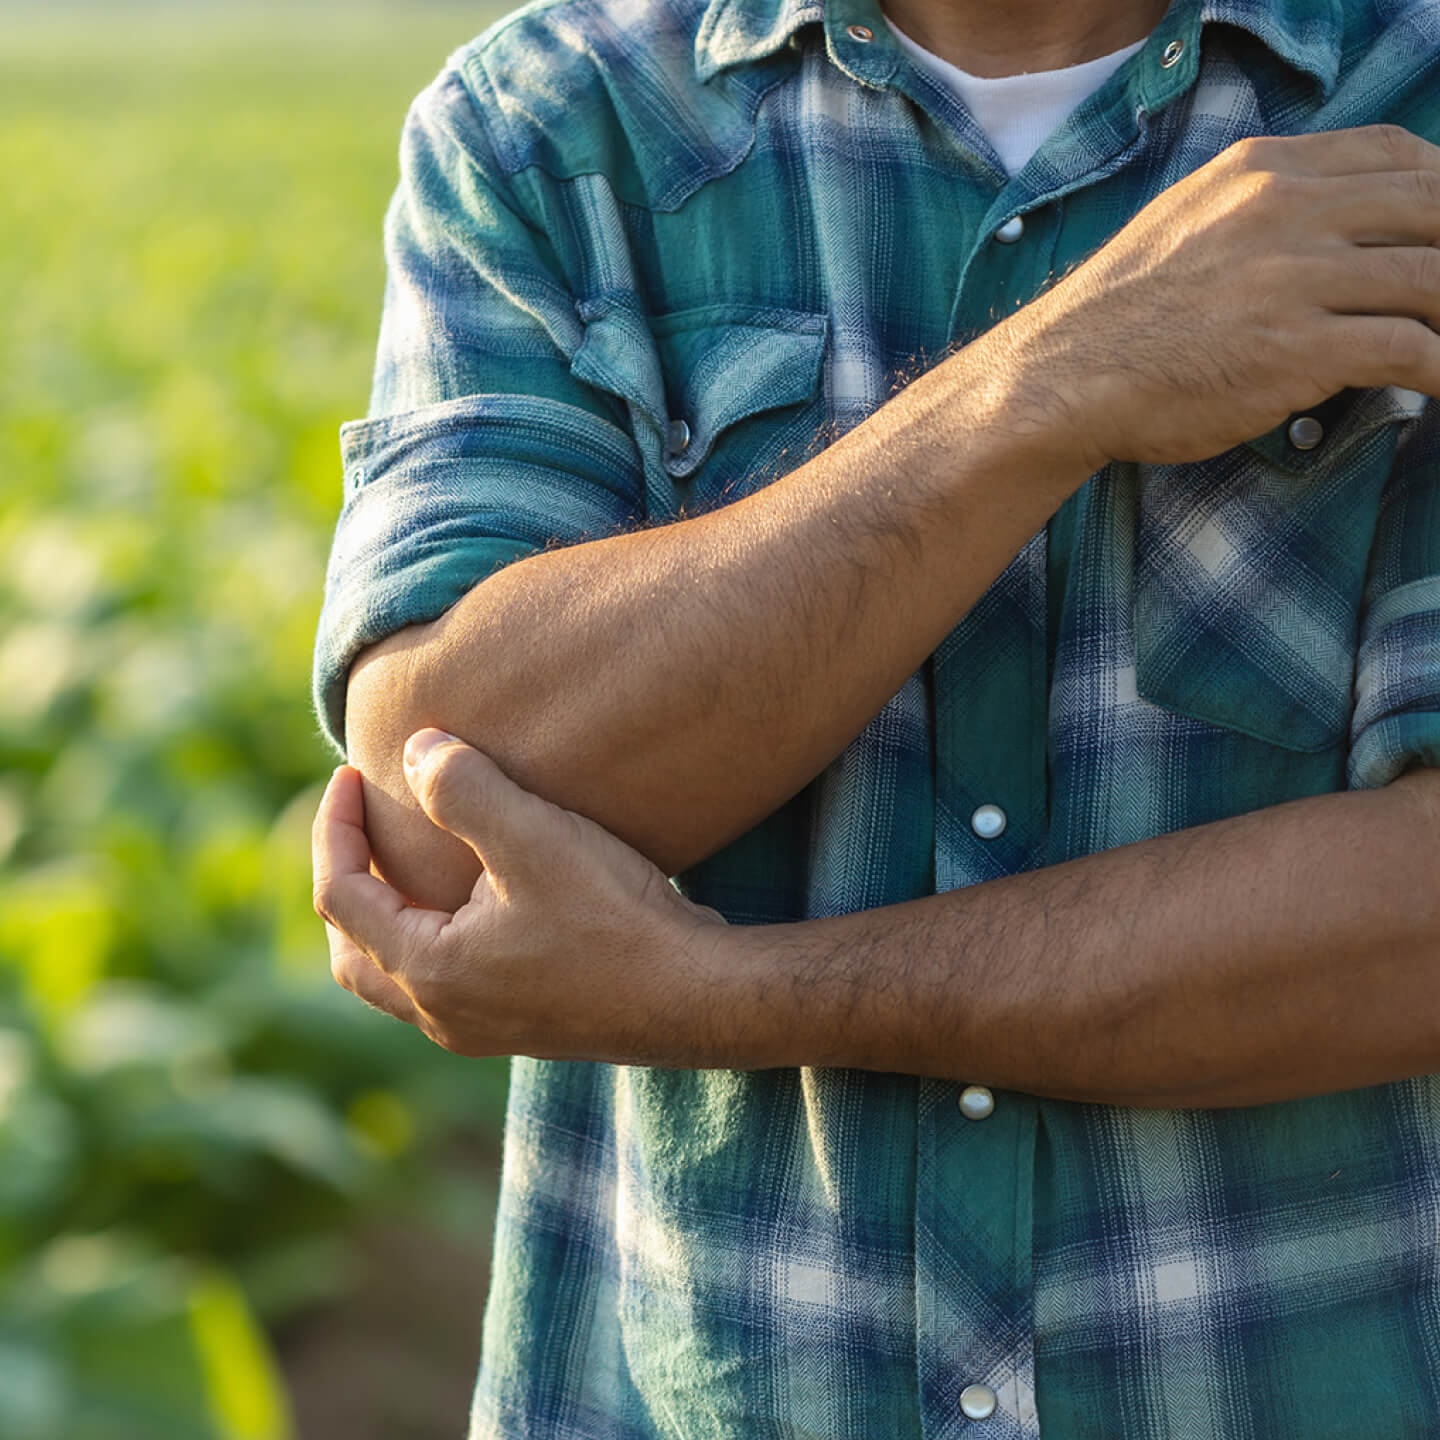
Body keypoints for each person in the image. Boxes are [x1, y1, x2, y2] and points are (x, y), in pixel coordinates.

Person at [309, 0, 1440, 1429]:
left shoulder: (1413, 104)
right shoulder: (558, 123)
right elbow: (439, 827)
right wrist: (1043, 384)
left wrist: (725, 996)